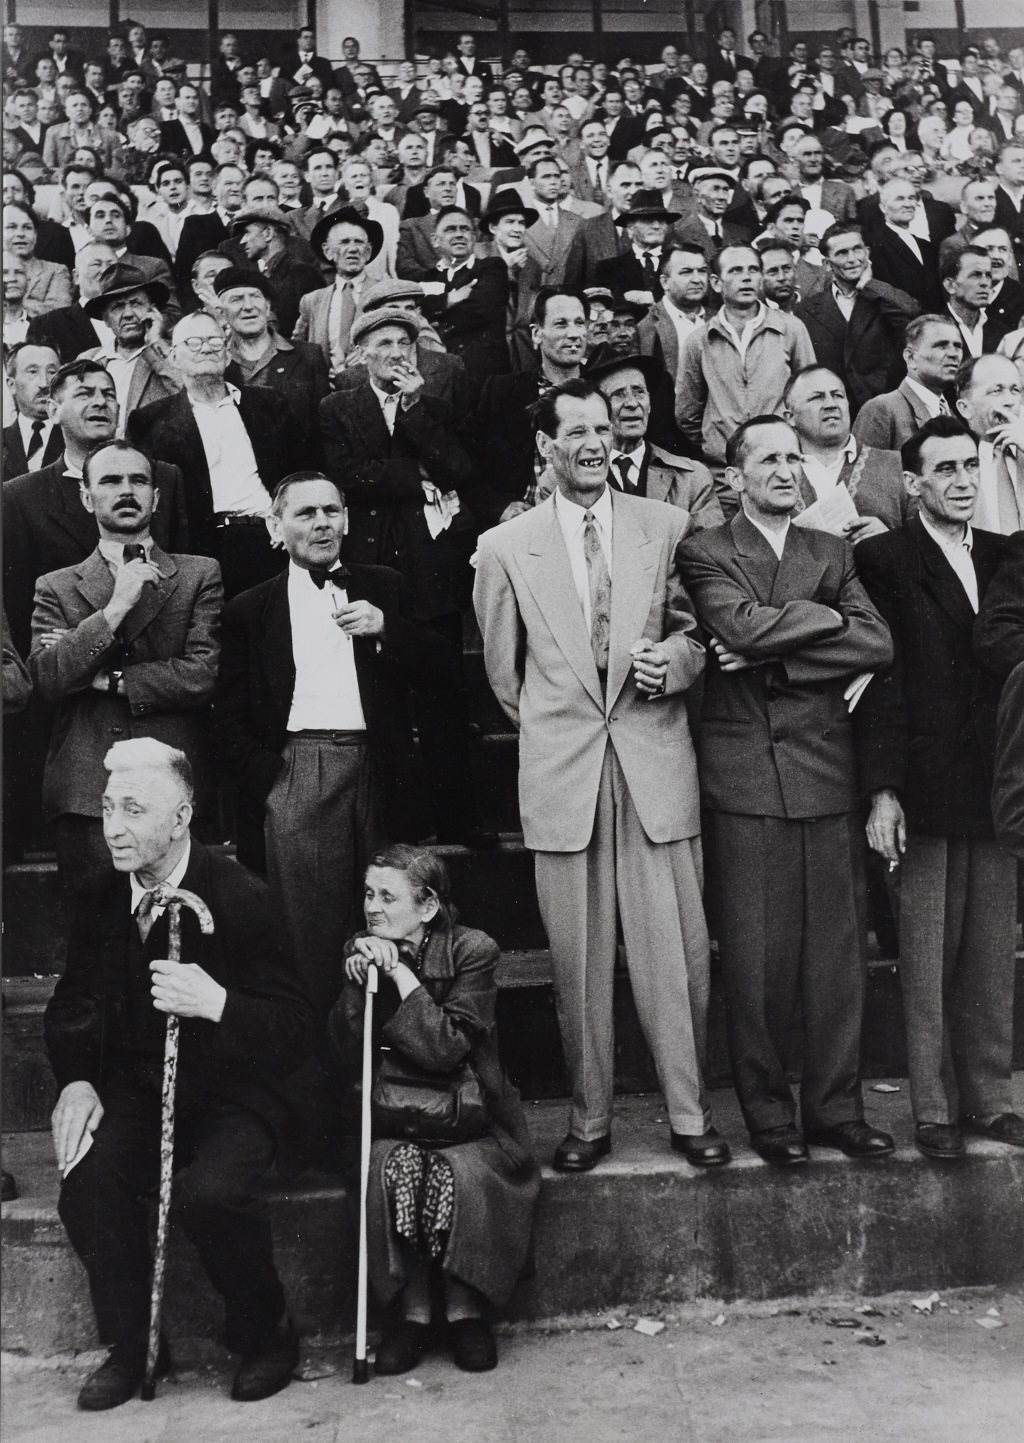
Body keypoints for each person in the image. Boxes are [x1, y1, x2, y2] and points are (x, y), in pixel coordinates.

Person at [475, 380, 729, 1174]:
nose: (592, 441)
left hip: (655, 762)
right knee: (577, 962)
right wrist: (565, 725)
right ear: (544, 448)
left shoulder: (668, 524)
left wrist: (677, 665)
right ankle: (589, 1119)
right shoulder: (505, 545)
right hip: (564, 773)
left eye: (602, 428)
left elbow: (701, 635)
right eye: (574, 429)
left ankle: (689, 1113)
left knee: (677, 954)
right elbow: (503, 674)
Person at [46, 737, 311, 1409]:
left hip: (235, 1094)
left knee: (214, 1192)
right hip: (141, 1089)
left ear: (182, 817)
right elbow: (73, 1003)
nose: (112, 827)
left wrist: (217, 1002)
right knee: (87, 1178)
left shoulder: (240, 893)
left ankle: (265, 1333)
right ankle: (136, 1343)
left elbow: (295, 1028)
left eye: (133, 809)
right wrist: (77, 1080)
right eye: (107, 808)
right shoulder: (100, 896)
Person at [677, 415, 895, 1165]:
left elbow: (877, 641)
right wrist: (824, 619)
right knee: (757, 961)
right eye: (767, 458)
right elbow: (733, 627)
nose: (785, 469)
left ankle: (836, 1108)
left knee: (837, 959)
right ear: (734, 475)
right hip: (746, 780)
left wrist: (781, 649)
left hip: (827, 771)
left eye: (794, 458)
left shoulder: (830, 549)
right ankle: (769, 1116)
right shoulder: (707, 549)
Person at [212, 471, 457, 1009]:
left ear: (346, 518)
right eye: (305, 513)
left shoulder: (384, 584)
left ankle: (390, 1066)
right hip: (298, 768)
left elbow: (443, 666)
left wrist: (386, 627)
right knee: (311, 933)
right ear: (276, 528)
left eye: (331, 511)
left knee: (393, 923)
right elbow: (226, 715)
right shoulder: (251, 608)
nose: (322, 523)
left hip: (380, 766)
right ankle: (319, 1071)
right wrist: (275, 782)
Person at [856, 416, 1021, 1159]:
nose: (960, 480)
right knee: (926, 952)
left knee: (990, 949)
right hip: (923, 779)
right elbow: (882, 680)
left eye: (969, 467)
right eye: (944, 470)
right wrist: (883, 788)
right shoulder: (886, 559)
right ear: (913, 483)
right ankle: (932, 1107)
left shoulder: (1005, 554)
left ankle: (988, 1098)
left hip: (996, 778)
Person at [329, 845, 539, 1375]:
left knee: (459, 1176)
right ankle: (415, 1313)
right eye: (369, 894)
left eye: (388, 897)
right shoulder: (364, 950)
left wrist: (401, 976)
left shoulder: (473, 952)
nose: (373, 908)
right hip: (395, 1116)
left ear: (427, 908)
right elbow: (341, 1051)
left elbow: (448, 1048)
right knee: (394, 1167)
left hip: (472, 1118)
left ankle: (467, 1312)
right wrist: (360, 987)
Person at [29, 436, 221, 903]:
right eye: (111, 480)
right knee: (92, 946)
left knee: (172, 935)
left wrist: (108, 679)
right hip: (87, 789)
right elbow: (49, 678)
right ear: (87, 495)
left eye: (139, 480)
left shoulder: (198, 573)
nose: (127, 490)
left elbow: (200, 674)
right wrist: (114, 608)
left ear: (157, 496)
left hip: (171, 782)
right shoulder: (55, 586)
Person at [3, 360, 189, 659]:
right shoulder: (21, 495)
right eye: (84, 393)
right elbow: (18, 604)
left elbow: (184, 572)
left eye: (109, 393)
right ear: (53, 410)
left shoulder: (164, 477)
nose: (100, 401)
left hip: (156, 661)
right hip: (70, 671)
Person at [127, 311, 291, 598]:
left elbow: (298, 471)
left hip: (271, 540)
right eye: (193, 342)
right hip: (201, 548)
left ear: (227, 355)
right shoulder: (149, 420)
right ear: (174, 357)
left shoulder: (269, 403)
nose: (205, 348)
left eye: (215, 341)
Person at [676, 245, 816, 490]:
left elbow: (810, 399)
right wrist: (719, 446)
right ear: (717, 282)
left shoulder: (790, 329)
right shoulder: (699, 340)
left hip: (781, 470)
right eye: (736, 271)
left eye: (753, 270)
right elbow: (687, 413)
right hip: (725, 477)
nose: (747, 277)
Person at [474, 287, 590, 524]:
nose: (574, 333)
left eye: (580, 323)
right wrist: (500, 507)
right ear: (537, 334)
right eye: (561, 324)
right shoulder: (503, 392)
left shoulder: (603, 389)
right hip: (525, 523)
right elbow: (468, 461)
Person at [795, 222, 920, 416]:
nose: (852, 259)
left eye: (857, 250)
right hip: (838, 411)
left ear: (867, 253)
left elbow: (913, 316)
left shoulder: (883, 296)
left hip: (886, 408)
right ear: (827, 264)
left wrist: (868, 285)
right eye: (842, 253)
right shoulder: (806, 310)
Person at [217, 266, 329, 464]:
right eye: (237, 299)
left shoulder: (308, 356)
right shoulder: (216, 363)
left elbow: (323, 431)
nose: (248, 306)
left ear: (267, 307)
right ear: (221, 313)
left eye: (255, 297)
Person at [784, 366, 911, 534]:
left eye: (838, 395)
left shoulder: (898, 465)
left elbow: (927, 541)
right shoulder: (775, 472)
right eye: (817, 397)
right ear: (790, 417)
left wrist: (889, 541)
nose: (831, 404)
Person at [411, 206, 510, 387]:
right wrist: (450, 299)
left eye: (465, 229)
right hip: (437, 378)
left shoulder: (492, 267)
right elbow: (413, 316)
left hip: (484, 377)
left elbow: (482, 310)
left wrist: (433, 312)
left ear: (474, 237)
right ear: (435, 240)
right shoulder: (423, 279)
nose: (459, 234)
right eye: (450, 229)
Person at [80, 262, 179, 432]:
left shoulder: (172, 354)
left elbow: (190, 396)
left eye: (136, 303)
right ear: (106, 319)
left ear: (152, 310)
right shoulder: (89, 361)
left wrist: (155, 342)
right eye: (118, 307)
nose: (128, 314)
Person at [292, 207, 385, 378]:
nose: (353, 249)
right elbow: (297, 351)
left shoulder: (386, 293)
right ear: (327, 251)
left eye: (359, 242)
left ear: (368, 251)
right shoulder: (312, 301)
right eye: (344, 242)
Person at [854, 314, 964, 450]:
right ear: (910, 357)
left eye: (958, 346)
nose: (954, 354)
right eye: (941, 346)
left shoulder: (954, 417)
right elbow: (867, 470)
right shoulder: (882, 409)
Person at [954, 352, 1024, 533]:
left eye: (1015, 390)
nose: (1010, 401)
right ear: (965, 408)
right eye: (996, 391)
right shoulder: (954, 464)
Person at [638, 242, 711, 379]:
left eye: (702, 271)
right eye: (686, 272)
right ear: (664, 282)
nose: (697, 279)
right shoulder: (644, 324)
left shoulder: (718, 318)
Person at [2, 342, 62, 477]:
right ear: (11, 385)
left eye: (52, 372)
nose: (45, 384)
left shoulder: (77, 440)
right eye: (33, 372)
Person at [3, 202, 73, 312]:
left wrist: (13, 302)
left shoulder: (56, 271)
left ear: (35, 235)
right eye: (12, 227)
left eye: (27, 228)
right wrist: (35, 304)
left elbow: (58, 314)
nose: (20, 233)